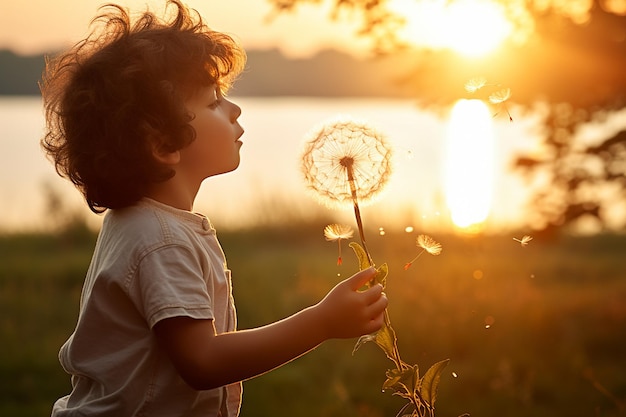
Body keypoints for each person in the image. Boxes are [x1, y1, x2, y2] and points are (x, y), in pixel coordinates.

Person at [40, 1, 388, 416]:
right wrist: (321, 323)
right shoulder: (160, 241)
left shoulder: (145, 225)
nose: (234, 109)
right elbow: (202, 362)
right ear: (163, 145)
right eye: (213, 103)